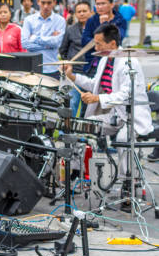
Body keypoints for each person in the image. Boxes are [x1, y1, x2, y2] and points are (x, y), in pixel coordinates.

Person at [65, 24, 152, 194]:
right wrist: (72, 76)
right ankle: (77, 175)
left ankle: (130, 184)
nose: (96, 48)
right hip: (113, 115)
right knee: (81, 127)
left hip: (131, 116)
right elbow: (94, 84)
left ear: (112, 44)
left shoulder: (129, 61)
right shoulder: (105, 60)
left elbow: (127, 94)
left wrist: (98, 98)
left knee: (123, 138)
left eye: (99, 44)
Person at [21, 0, 66, 79]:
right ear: (38, 2)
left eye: (49, 3)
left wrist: (34, 38)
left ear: (54, 2)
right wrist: (48, 44)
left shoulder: (60, 20)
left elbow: (57, 43)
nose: (46, 6)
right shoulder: (29, 20)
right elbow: (25, 44)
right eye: (43, 2)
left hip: (52, 69)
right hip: (32, 68)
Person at [81, 0, 127, 76]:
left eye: (103, 3)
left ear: (112, 5)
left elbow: (118, 39)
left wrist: (105, 25)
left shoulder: (120, 20)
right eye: (97, 4)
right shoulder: (91, 20)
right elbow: (84, 41)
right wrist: (100, 43)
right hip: (93, 63)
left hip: (113, 62)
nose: (100, 7)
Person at [59, 1, 91, 117]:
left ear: (90, 12)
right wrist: (68, 64)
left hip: (91, 73)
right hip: (74, 73)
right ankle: (67, 132)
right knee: (71, 103)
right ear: (75, 14)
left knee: (88, 107)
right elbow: (63, 49)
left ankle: (85, 134)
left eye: (84, 11)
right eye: (79, 11)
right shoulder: (70, 30)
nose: (82, 14)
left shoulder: (97, 30)